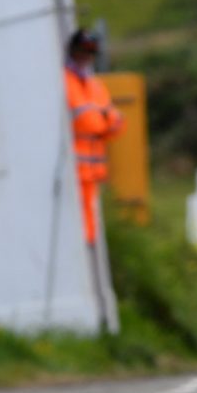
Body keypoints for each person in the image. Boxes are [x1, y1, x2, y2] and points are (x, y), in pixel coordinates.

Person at [62, 28, 123, 246]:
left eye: (90, 53)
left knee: (89, 226)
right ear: (72, 51)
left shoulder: (93, 84)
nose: (86, 57)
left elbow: (117, 123)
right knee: (76, 225)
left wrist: (104, 120)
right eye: (82, 52)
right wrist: (104, 119)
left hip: (91, 172)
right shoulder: (65, 81)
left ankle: (87, 251)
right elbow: (87, 121)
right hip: (73, 170)